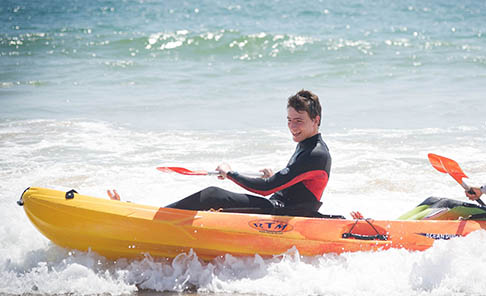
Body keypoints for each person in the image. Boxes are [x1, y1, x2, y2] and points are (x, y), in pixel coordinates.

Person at [109, 89, 331, 217]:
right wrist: (276, 176)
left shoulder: (315, 153)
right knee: (214, 201)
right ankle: (152, 215)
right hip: (284, 210)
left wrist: (230, 173)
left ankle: (149, 220)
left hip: (285, 215)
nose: (292, 126)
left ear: (316, 120)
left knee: (212, 195)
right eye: (289, 120)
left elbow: (266, 189)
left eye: (299, 121)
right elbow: (297, 183)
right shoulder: (309, 146)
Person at [376, 107, 486, 224]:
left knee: (443, 204)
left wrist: (484, 189)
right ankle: (394, 225)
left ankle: (393, 230)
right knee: (432, 201)